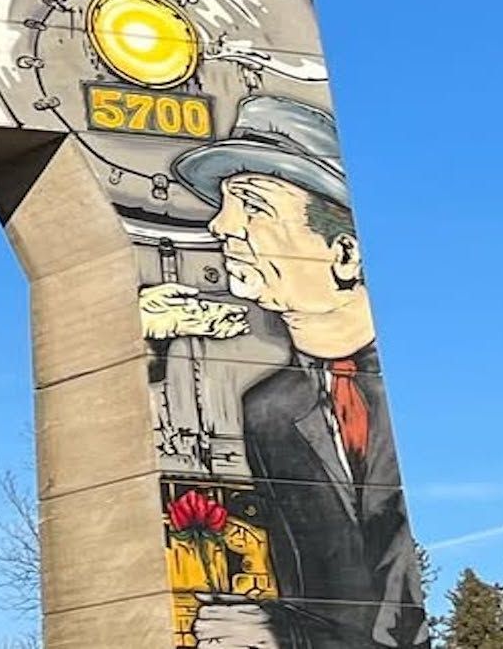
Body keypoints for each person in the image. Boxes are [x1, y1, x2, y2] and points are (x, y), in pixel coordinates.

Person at [160, 96, 430, 649]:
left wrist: (286, 637)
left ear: (345, 255)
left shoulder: (415, 395)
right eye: (227, 205)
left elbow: (400, 600)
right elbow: (318, 590)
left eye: (253, 208)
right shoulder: (270, 410)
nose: (222, 226)